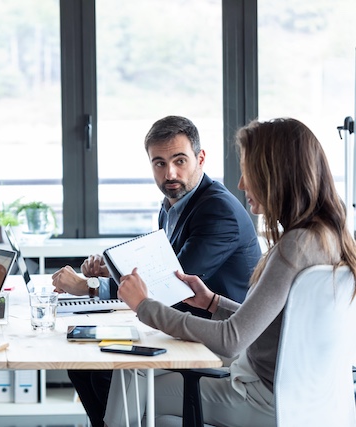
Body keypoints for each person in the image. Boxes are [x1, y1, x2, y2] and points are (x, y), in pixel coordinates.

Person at [111, 117, 356, 426]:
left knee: (131, 384)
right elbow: (277, 327)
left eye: (248, 171)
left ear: (276, 175)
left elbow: (231, 340)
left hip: (264, 397)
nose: (241, 184)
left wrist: (145, 307)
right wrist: (213, 302)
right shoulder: (328, 237)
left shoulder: (293, 247)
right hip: (309, 397)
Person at [51, 115, 262, 427]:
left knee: (106, 373)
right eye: (159, 163)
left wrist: (90, 287)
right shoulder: (174, 202)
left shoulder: (218, 210)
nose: (170, 173)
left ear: (200, 158)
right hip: (183, 325)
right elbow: (163, 264)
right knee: (86, 368)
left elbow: (171, 284)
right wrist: (110, 271)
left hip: (219, 338)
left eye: (179, 160)